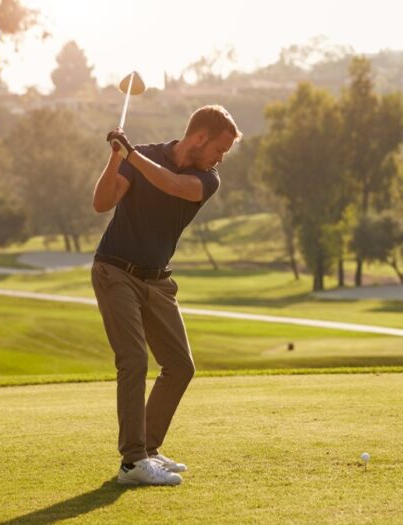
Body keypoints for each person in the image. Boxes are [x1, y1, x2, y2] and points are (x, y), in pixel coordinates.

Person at [91, 105, 241, 486]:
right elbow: (102, 203)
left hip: (157, 281)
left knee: (180, 365)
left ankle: (149, 450)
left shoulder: (206, 178)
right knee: (134, 360)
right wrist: (115, 159)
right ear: (200, 138)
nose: (220, 159)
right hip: (115, 271)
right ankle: (132, 463)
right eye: (219, 150)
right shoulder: (142, 155)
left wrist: (131, 155)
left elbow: (174, 186)